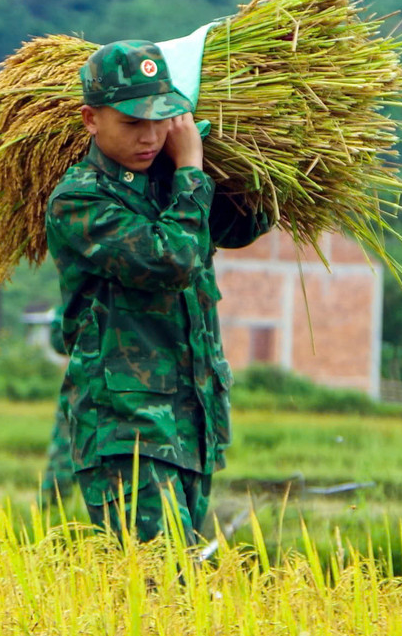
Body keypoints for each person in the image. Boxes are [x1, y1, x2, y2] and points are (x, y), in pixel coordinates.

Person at [40, 40, 271, 543]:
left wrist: (251, 158)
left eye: (160, 120)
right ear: (91, 120)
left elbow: (243, 224)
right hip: (129, 432)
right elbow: (174, 260)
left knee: (167, 605)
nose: (149, 137)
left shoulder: (168, 182)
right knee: (162, 590)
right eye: (132, 123)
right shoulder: (80, 200)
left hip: (191, 425)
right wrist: (191, 168)